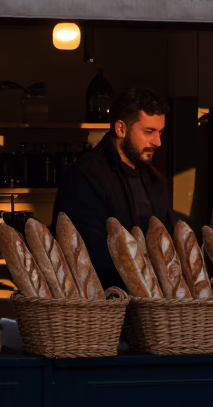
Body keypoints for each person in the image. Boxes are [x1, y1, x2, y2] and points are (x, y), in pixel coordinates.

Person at [52, 87, 173, 290]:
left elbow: (167, 241)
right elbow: (87, 255)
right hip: (107, 305)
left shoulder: (154, 179)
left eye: (160, 132)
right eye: (149, 132)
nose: (157, 142)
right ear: (121, 129)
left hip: (152, 303)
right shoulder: (85, 176)